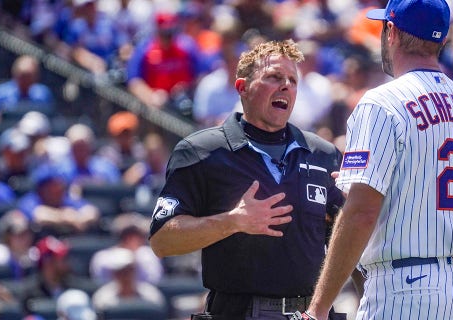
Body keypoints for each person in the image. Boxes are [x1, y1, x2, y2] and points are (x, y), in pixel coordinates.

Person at [302, 0, 453, 319]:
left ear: (392, 32)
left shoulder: (381, 103)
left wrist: (317, 309)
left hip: (405, 286)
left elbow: (361, 212)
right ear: (441, 41)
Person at [149, 39, 348, 319]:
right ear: (242, 88)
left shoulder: (323, 154)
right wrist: (232, 221)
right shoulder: (201, 150)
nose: (286, 86)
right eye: (274, 77)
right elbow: (162, 241)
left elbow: (347, 237)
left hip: (312, 313)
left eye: (292, 80)